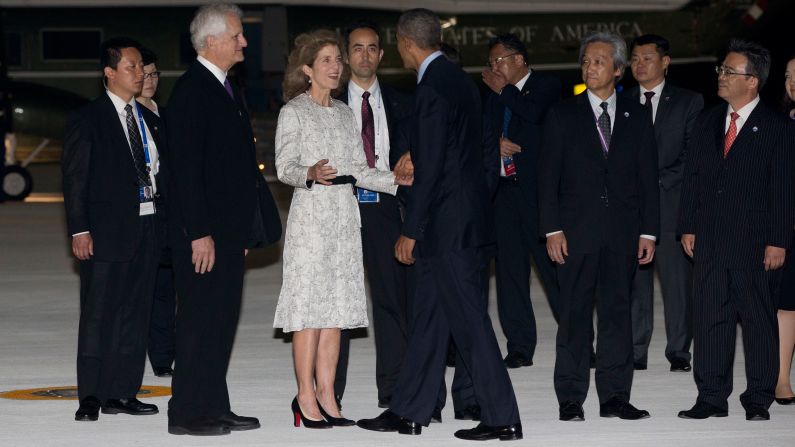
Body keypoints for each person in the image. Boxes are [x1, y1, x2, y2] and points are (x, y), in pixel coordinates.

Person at [356, 9, 522, 441]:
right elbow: (465, 157)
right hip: (462, 221)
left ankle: (502, 416)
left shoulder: (431, 88)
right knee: (430, 319)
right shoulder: (461, 82)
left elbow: (430, 168)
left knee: (469, 322)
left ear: (404, 43)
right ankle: (409, 410)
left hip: (446, 227)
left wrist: (412, 229)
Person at [273, 29, 409, 429]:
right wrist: (309, 172)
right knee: (310, 313)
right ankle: (304, 396)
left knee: (335, 312)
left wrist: (399, 180)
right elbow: (284, 168)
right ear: (307, 70)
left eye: (338, 60)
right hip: (312, 219)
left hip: (345, 221)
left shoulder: (345, 113)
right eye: (328, 61)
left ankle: (329, 395)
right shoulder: (293, 112)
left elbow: (361, 170)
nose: (337, 67)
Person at [166, 3, 279, 436]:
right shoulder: (193, 90)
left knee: (221, 320)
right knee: (198, 322)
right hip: (203, 235)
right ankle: (188, 414)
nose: (244, 41)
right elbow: (186, 172)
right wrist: (200, 233)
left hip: (227, 233)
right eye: (237, 35)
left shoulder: (225, 87)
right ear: (211, 41)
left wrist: (240, 229)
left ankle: (214, 404)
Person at [539, 31, 659, 422]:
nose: (591, 67)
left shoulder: (636, 114)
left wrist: (649, 231)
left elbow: (647, 180)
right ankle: (571, 398)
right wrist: (552, 229)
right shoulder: (562, 114)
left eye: (600, 61)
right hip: (575, 235)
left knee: (617, 316)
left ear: (619, 70)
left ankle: (615, 398)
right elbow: (547, 180)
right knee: (573, 317)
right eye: (587, 61)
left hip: (623, 234)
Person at [677, 39, 794, 421]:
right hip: (709, 237)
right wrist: (687, 226)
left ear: (753, 81)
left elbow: (783, 188)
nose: (722, 77)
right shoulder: (709, 119)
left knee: (758, 320)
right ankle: (711, 396)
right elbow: (692, 178)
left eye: (730, 71)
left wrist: (779, 240)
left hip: (755, 241)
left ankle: (758, 397)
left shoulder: (776, 127)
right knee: (710, 318)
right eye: (721, 70)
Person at [63, 37, 163, 422]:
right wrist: (79, 230)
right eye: (132, 67)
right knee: (98, 314)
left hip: (148, 225)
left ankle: (123, 391)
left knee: (135, 314)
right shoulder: (87, 118)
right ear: (109, 73)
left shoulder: (149, 117)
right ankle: (90, 395)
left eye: (141, 67)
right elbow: (75, 179)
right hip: (104, 232)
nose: (140, 74)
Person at [333, 20, 413, 410]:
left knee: (391, 298)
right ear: (347, 57)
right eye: (357, 48)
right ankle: (329, 392)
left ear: (381, 54)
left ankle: (394, 388)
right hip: (339, 207)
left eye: (372, 48)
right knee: (339, 302)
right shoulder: (326, 105)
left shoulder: (404, 102)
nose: (364, 55)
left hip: (385, 208)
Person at [481, 32, 561, 369]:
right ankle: (519, 345)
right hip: (502, 194)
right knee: (510, 274)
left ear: (520, 59)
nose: (494, 67)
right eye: (491, 62)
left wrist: (504, 90)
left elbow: (534, 115)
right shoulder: (491, 93)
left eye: (499, 60)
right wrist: (492, 144)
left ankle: (579, 341)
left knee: (555, 272)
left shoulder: (547, 85)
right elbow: (477, 129)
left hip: (539, 196)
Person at [626, 34, 704, 372]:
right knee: (635, 280)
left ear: (665, 62)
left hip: (672, 203)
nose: (639, 64)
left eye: (646, 57)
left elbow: (693, 155)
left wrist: (655, 181)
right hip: (631, 208)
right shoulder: (620, 101)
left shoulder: (689, 101)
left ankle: (678, 351)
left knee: (676, 282)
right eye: (634, 58)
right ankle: (636, 349)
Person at [136, 47, 176, 378]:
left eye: (154, 74)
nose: (149, 81)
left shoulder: (166, 114)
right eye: (143, 74)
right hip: (140, 211)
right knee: (143, 289)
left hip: (168, 211)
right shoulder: (129, 116)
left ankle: (163, 356)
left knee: (166, 287)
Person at [775, 54, 795, 406]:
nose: (793, 81)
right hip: (788, 227)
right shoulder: (780, 123)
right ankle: (780, 380)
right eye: (790, 75)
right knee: (787, 307)